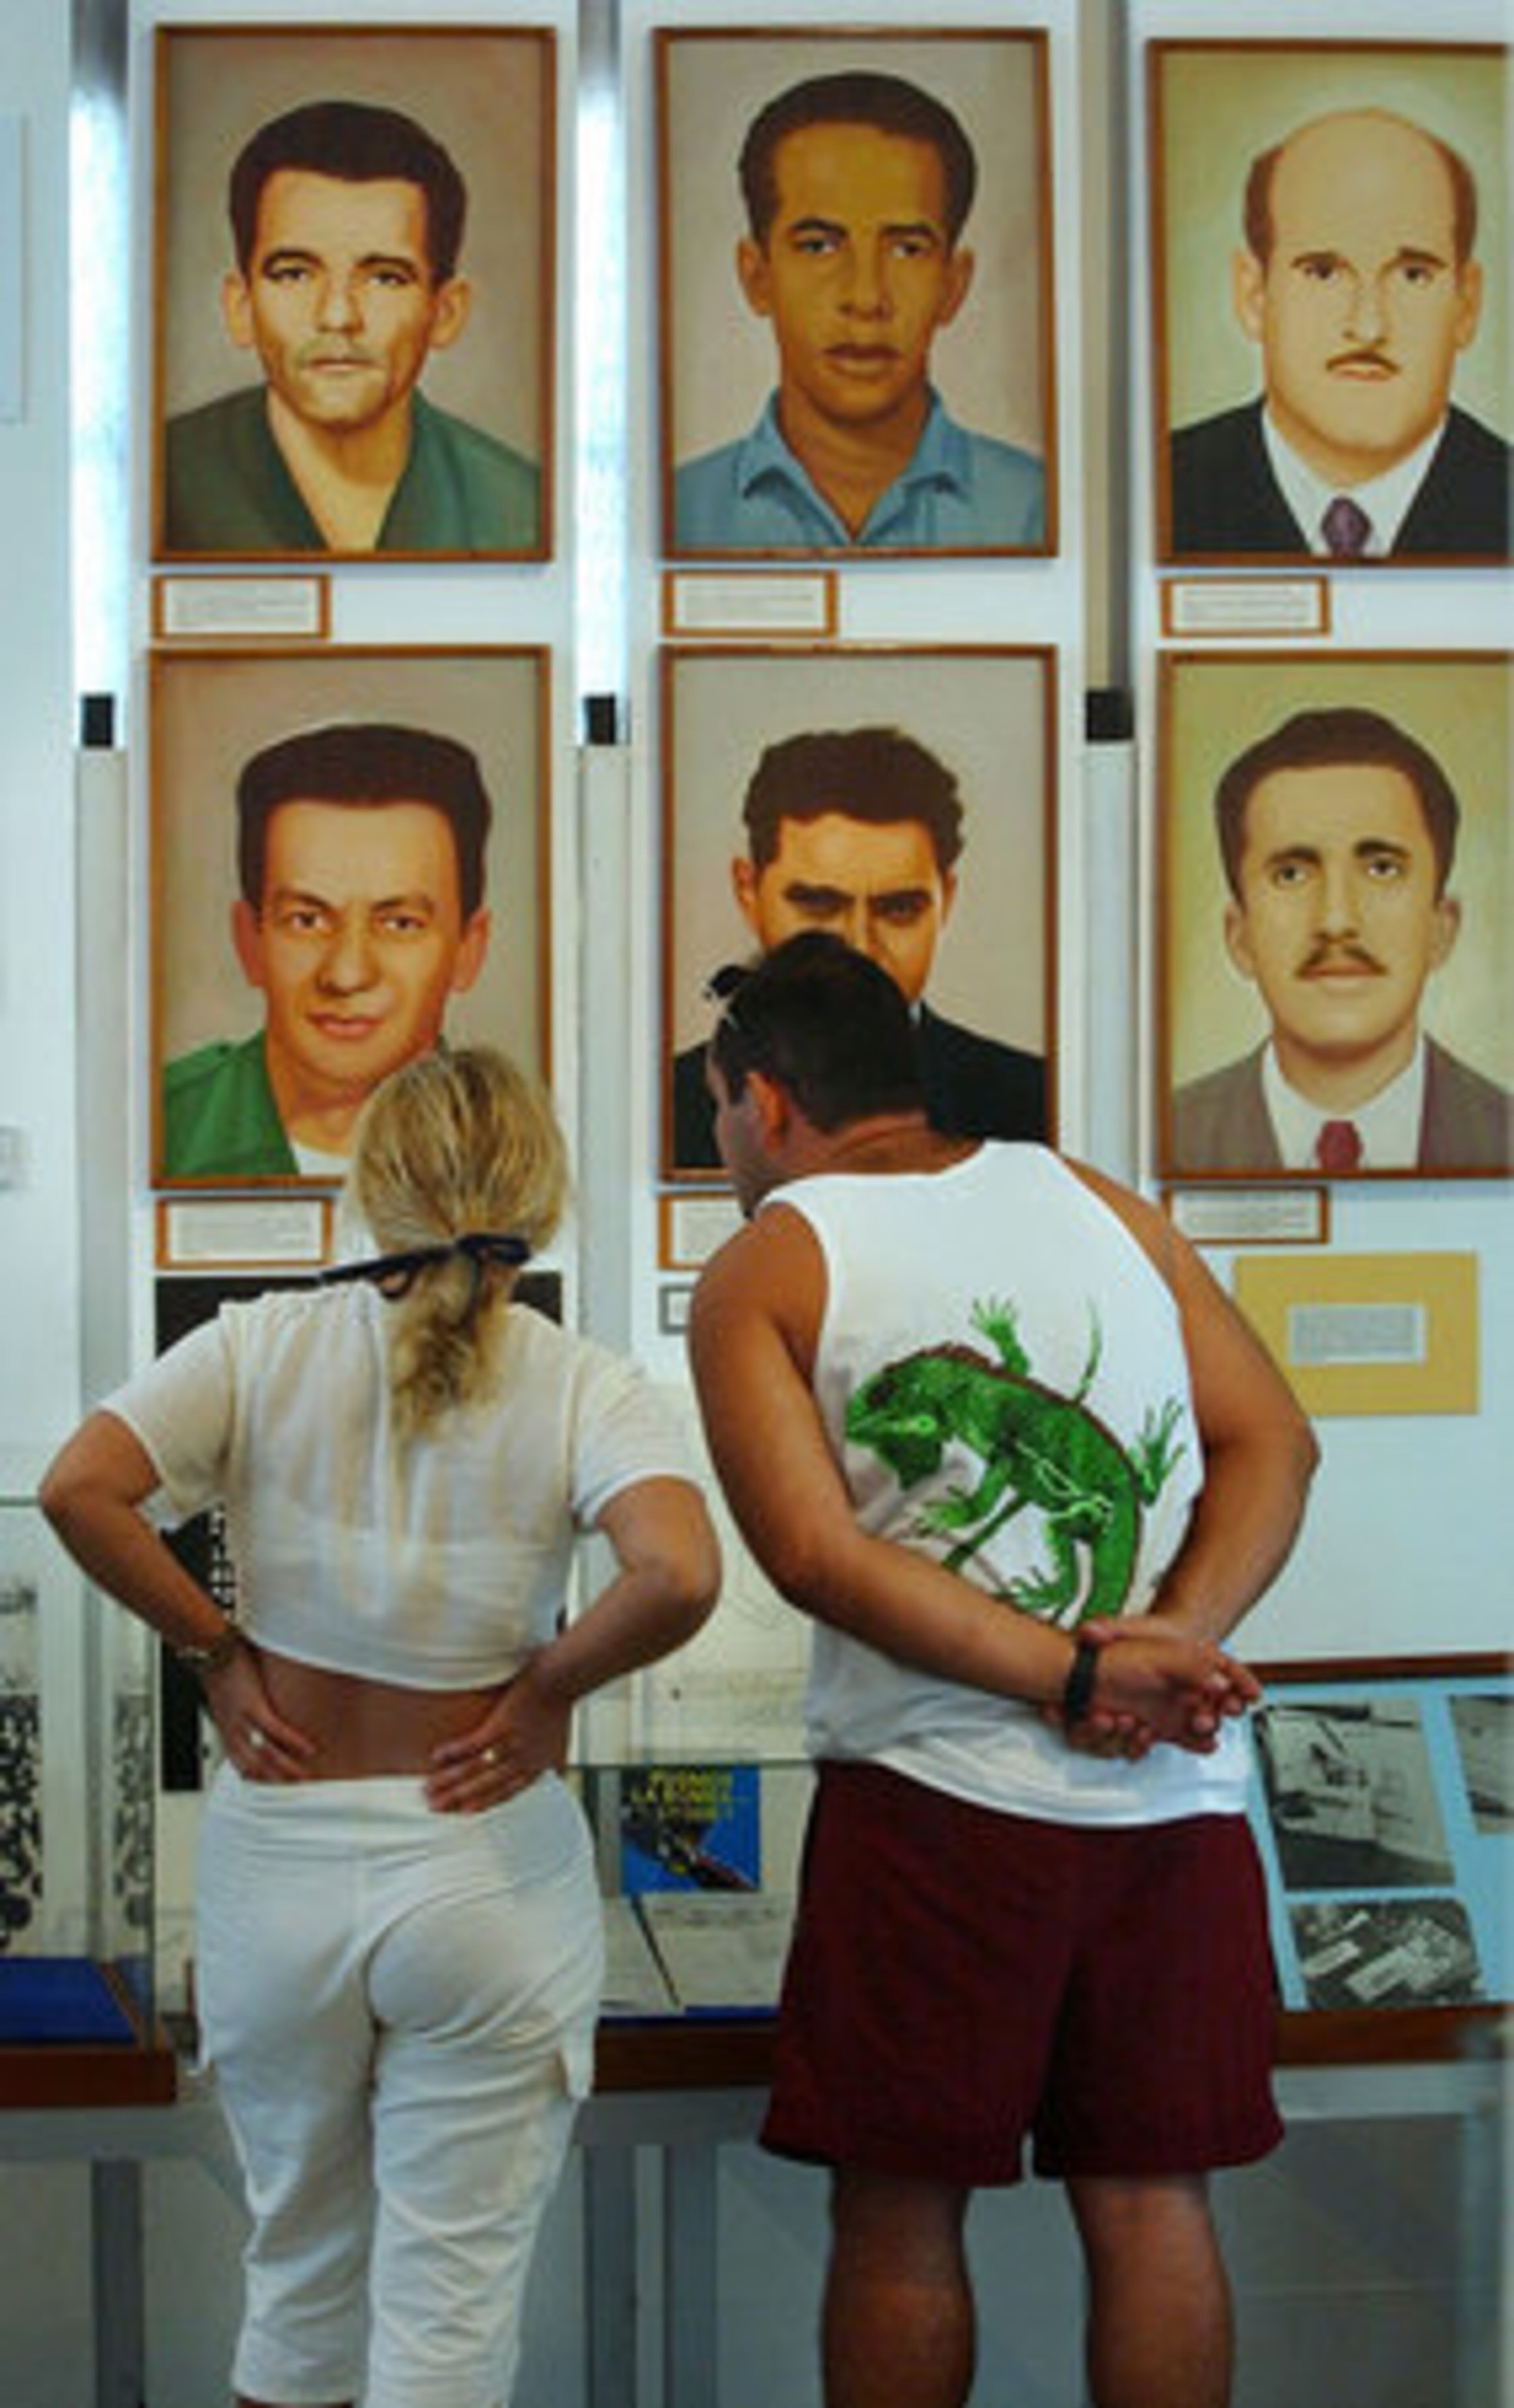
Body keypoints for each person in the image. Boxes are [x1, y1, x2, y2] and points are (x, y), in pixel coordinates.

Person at [687, 932, 1319, 2408]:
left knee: (901, 2206)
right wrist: (1166, 1648)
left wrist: (1093, 1673)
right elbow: (1273, 1441)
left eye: (720, 1114)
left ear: (767, 1102)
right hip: (1175, 1807)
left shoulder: (769, 1261)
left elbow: (816, 1559)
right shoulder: (1098, 1200)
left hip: (939, 1801)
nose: (725, 1144)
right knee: (1155, 2200)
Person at [41, 1044, 720, 2408]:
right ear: (543, 1196)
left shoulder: (262, 1340)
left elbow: (80, 1489)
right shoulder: (581, 1381)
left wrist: (218, 1652)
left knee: (294, 2277)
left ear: (370, 1192)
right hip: (480, 1867)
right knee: (447, 2319)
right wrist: (545, 1691)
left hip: (279, 1865)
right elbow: (681, 1572)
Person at [673, 71, 1046, 552]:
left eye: (907, 250)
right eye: (819, 246)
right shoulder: (680, 510)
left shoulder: (1037, 509)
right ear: (757, 276)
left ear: (954, 286)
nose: (867, 299)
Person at [163, 98, 541, 555]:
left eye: (385, 278)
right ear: (241, 307)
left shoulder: (520, 509)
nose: (338, 316)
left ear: (445, 313)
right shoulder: (158, 480)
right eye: (295, 274)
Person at [671, 725, 1047, 1170]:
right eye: (818, 904)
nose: (858, 945)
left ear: (948, 899)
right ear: (748, 891)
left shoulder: (1027, 1097)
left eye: (899, 909)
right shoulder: (673, 1099)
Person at [1169, 706, 1512, 1175]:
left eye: (1381, 869)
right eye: (1291, 874)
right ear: (1240, 936)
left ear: (1442, 927)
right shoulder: (1170, 1134)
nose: (1336, 919)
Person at [162, 720, 499, 1183]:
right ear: (249, 941)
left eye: (400, 924)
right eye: (308, 921)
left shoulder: (517, 1143)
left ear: (469, 950)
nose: (347, 974)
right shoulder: (158, 1123)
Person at [1168, 107, 1511, 560]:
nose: (1369, 327)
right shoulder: (1165, 486)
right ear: (1254, 295)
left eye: (1412, 275)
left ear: (1467, 305)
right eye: (1324, 272)